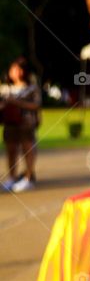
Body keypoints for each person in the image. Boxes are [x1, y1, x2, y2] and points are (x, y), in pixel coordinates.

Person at [1, 57, 41, 192]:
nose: (16, 72)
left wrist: (16, 102)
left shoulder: (31, 88)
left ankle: (28, 177)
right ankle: (12, 177)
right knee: (11, 150)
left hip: (26, 124)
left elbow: (36, 105)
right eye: (13, 69)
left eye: (18, 69)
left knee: (27, 150)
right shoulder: (4, 88)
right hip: (10, 123)